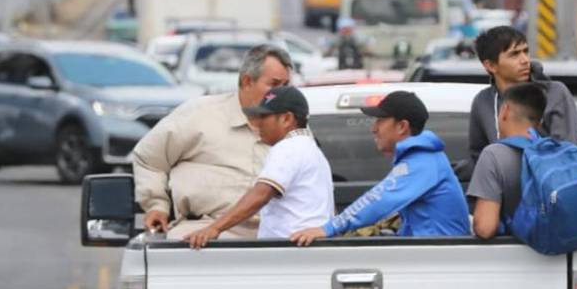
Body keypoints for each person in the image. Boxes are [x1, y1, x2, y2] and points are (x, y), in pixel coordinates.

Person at [132, 45, 293, 239]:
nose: (282, 94)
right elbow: (149, 158)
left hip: (277, 237)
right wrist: (156, 206)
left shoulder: (293, 127)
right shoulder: (200, 114)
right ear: (247, 81)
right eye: (274, 85)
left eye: (286, 87)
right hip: (202, 233)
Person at [290, 91, 470, 246]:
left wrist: (329, 228)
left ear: (402, 126)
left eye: (381, 120)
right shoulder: (422, 159)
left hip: (439, 263)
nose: (374, 128)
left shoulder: (423, 162)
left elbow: (378, 199)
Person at [186, 86, 334, 248]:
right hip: (308, 248)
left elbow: (261, 195)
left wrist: (214, 228)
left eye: (264, 117)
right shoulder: (311, 149)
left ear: (286, 119)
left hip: (291, 250)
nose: (257, 124)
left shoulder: (288, 148)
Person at [468, 26, 577, 169]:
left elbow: (568, 152)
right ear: (490, 65)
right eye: (514, 54)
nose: (525, 60)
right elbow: (479, 159)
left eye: (525, 51)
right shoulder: (483, 102)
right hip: (505, 188)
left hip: (551, 185)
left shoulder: (554, 93)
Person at [467, 82, 545, 238]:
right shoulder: (559, 153)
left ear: (505, 111)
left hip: (516, 258)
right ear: (539, 122)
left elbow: (485, 228)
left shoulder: (494, 156)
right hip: (566, 256)